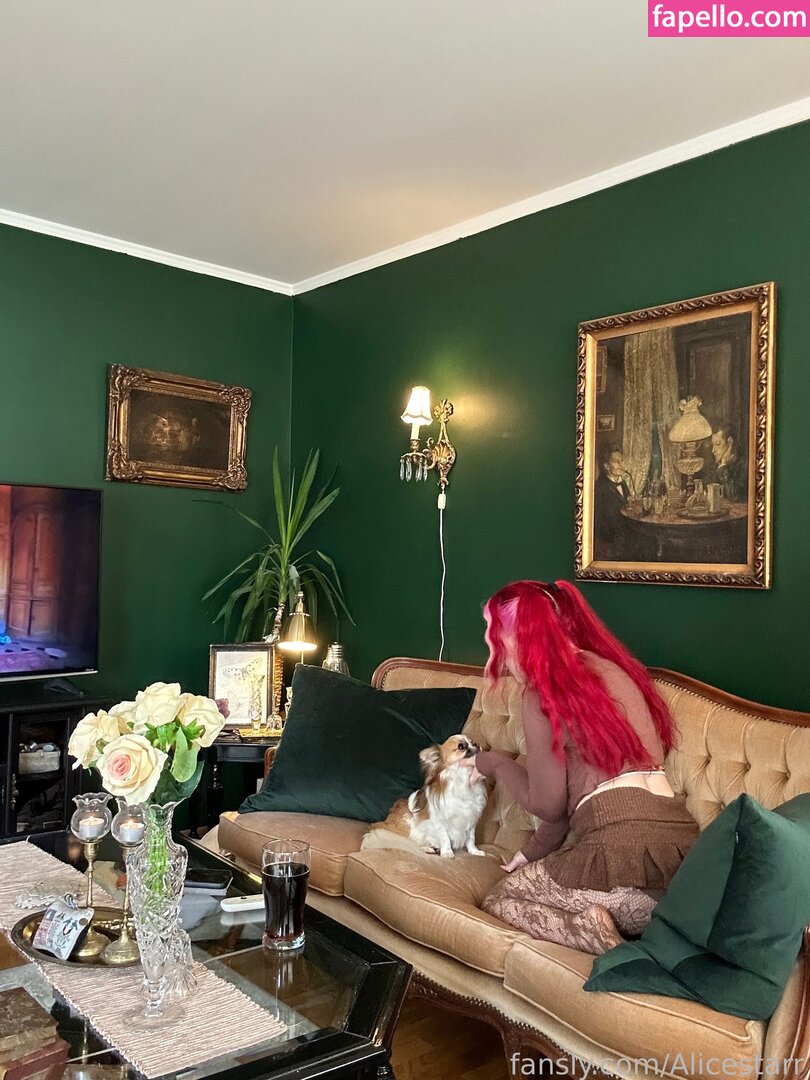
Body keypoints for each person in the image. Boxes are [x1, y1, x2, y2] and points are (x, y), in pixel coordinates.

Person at [474, 580, 698, 955]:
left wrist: (496, 762)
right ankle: (632, 934)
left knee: (498, 901)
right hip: (682, 871)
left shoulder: (541, 692)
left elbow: (548, 805)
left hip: (620, 864)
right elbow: (568, 806)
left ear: (519, 636)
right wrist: (529, 854)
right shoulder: (613, 669)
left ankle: (602, 939)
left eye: (494, 631)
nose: (491, 643)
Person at [594, 447, 632, 557]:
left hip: (624, 531)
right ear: (607, 466)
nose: (621, 464)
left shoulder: (623, 483)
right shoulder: (600, 486)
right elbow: (600, 520)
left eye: (621, 460)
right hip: (611, 537)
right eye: (616, 461)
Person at [710, 425, 744, 503]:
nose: (713, 450)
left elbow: (733, 497)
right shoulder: (716, 465)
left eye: (717, 444)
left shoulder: (743, 464)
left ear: (730, 442)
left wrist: (724, 464)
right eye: (712, 445)